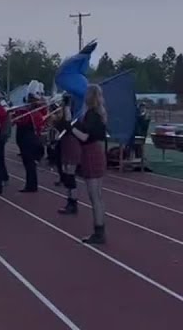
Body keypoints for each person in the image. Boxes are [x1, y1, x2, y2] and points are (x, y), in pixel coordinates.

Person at [72, 84, 109, 245]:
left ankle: (99, 232)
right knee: (98, 197)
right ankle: (99, 231)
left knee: (95, 197)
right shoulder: (97, 114)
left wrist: (70, 128)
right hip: (96, 152)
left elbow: (85, 137)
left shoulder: (92, 115)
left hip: (91, 153)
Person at [14, 91, 46, 192]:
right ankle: (31, 184)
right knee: (29, 163)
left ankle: (31, 185)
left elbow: (20, 121)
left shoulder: (32, 114)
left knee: (29, 163)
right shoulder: (33, 113)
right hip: (29, 139)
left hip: (28, 139)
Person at [54, 95, 81, 213]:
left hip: (72, 144)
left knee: (70, 176)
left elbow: (68, 121)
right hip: (65, 144)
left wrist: (67, 105)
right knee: (66, 174)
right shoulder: (63, 112)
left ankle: (73, 202)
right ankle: (70, 200)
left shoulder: (74, 115)